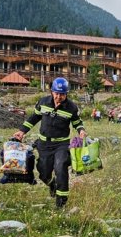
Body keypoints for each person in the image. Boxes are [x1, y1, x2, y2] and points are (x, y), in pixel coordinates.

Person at [12, 77, 87, 209]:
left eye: (62, 94)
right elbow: (34, 118)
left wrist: (81, 131)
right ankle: (52, 184)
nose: (59, 97)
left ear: (66, 94)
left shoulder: (71, 107)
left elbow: (77, 122)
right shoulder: (43, 102)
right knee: (43, 172)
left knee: (60, 167)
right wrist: (22, 131)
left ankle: (61, 203)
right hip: (44, 144)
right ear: (52, 92)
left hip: (62, 145)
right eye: (56, 93)